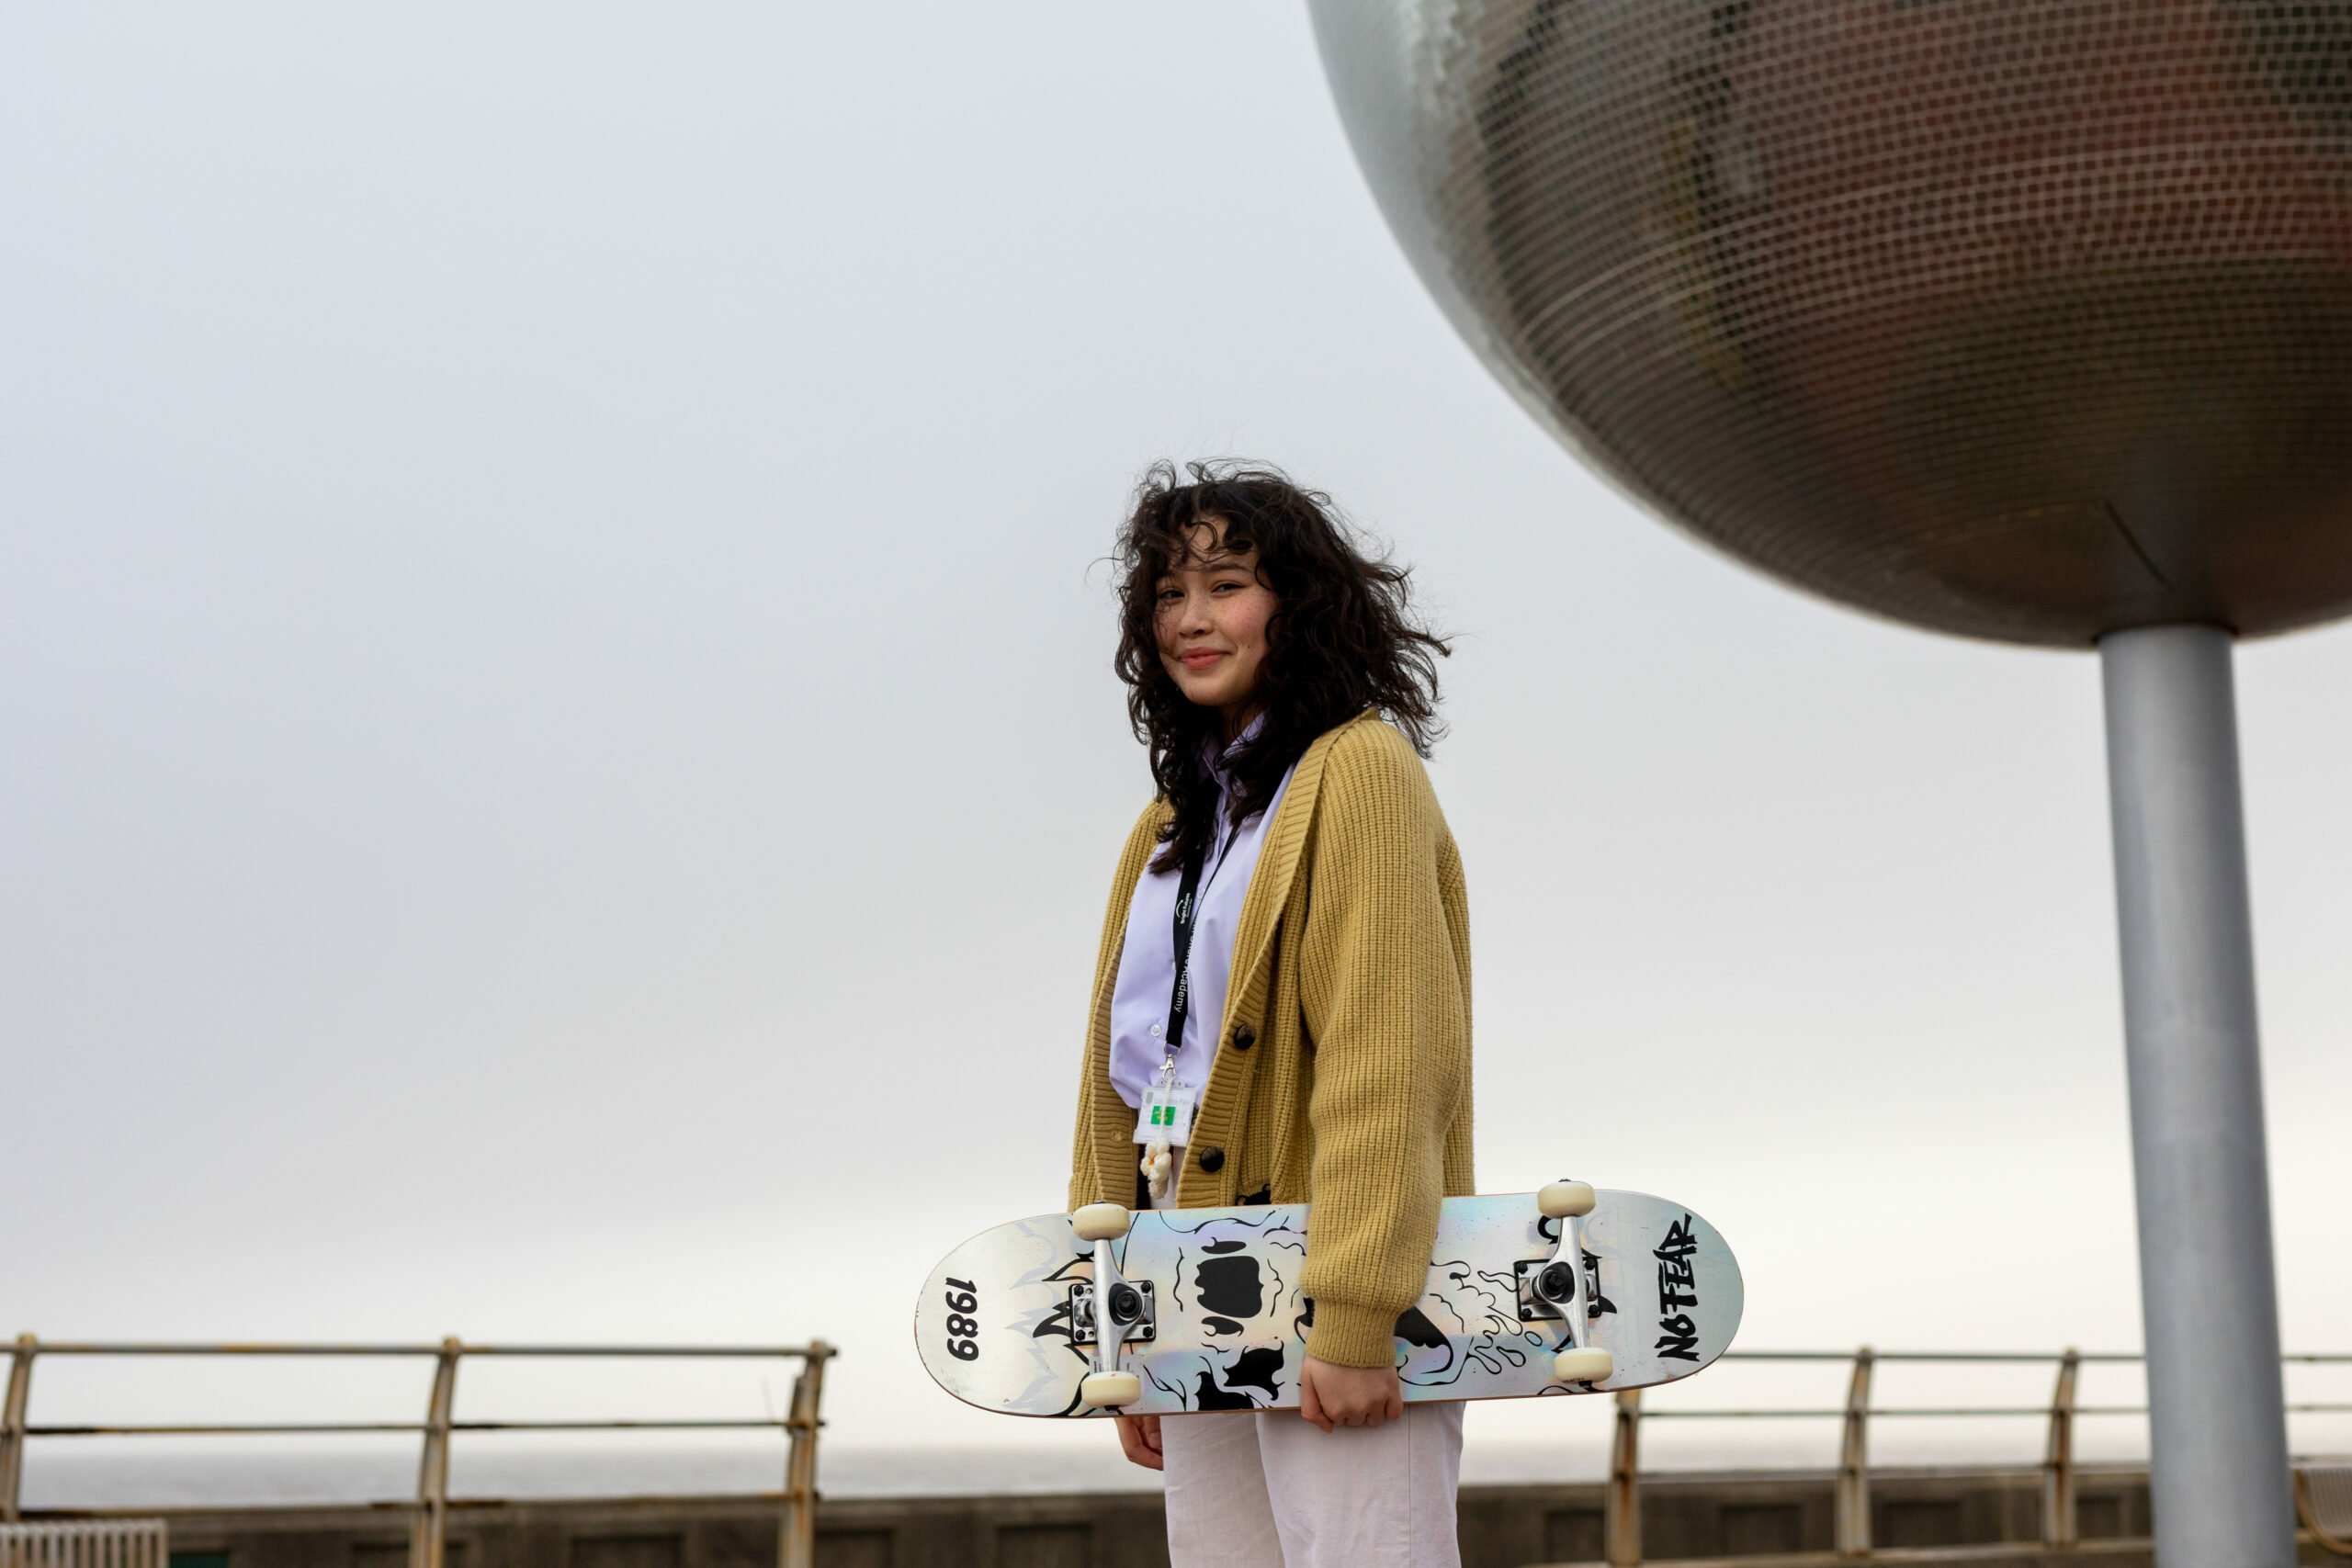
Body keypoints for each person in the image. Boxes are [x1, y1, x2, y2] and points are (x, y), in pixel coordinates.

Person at [1067, 460, 1474, 1567]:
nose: (1191, 621)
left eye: (1227, 584)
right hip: (1185, 1280)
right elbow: (1123, 1081)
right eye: (1165, 595)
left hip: (1335, 1286)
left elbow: (1387, 1062)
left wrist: (1356, 1315)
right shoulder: (1170, 819)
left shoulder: (1359, 771)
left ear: (1297, 603)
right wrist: (1121, 1327)